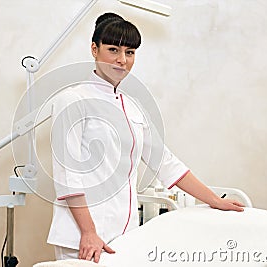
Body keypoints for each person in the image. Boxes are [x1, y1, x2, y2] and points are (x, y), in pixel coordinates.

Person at [47, 12, 244, 263]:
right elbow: (67, 175)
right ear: (94, 49)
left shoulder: (133, 108)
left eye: (130, 53)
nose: (122, 60)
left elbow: (165, 163)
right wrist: (88, 232)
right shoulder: (72, 100)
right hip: (83, 238)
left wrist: (215, 200)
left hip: (125, 236)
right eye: (113, 50)